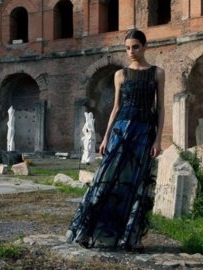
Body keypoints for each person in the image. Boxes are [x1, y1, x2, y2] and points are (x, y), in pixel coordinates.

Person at [66, 29, 165, 251]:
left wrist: (158, 139)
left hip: (144, 132)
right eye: (128, 48)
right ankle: (86, 231)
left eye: (136, 47)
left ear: (145, 46)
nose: (131, 51)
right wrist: (106, 137)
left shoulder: (158, 73)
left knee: (136, 181)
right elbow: (115, 108)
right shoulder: (120, 74)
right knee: (106, 178)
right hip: (121, 129)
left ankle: (130, 237)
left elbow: (160, 108)